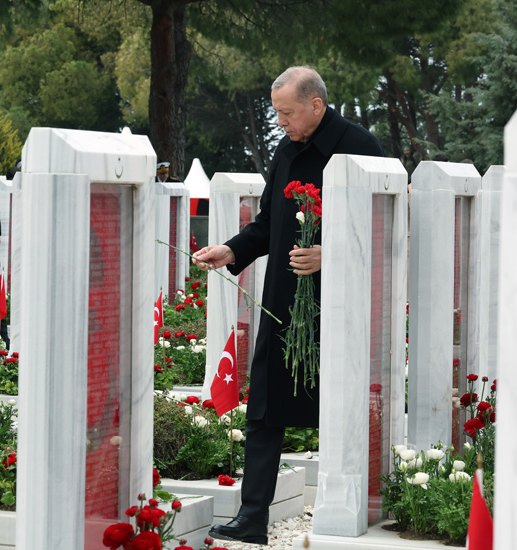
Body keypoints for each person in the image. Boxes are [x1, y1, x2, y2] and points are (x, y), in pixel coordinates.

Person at [193, 66, 384, 545]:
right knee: (264, 409)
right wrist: (232, 250)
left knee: (338, 410)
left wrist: (331, 253)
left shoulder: (361, 148)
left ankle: (346, 513)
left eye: (286, 112)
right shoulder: (284, 149)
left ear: (316, 106)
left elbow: (386, 232)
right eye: (276, 113)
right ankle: (252, 516)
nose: (280, 122)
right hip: (283, 306)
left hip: (338, 311)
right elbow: (267, 224)